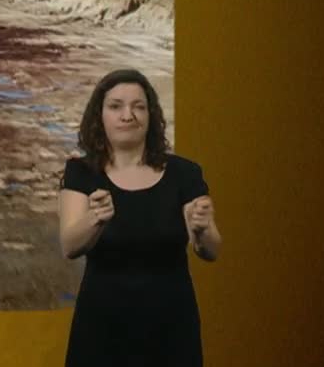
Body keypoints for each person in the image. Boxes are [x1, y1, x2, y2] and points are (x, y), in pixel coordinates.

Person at [58, 68, 222, 367]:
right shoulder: (81, 172)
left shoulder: (185, 173)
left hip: (171, 328)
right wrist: (94, 218)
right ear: (100, 116)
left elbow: (211, 250)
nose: (127, 115)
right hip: (101, 328)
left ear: (151, 116)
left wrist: (199, 232)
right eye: (116, 106)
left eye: (138, 106)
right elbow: (69, 246)